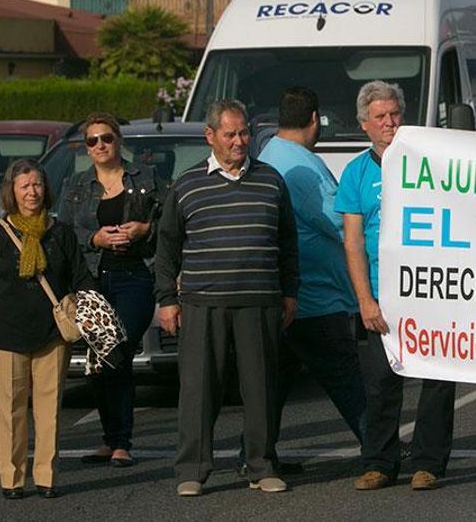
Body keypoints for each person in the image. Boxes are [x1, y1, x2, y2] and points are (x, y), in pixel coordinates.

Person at [153, 99, 299, 497]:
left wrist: (290, 292)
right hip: (203, 303)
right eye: (231, 134)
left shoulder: (271, 181)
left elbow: (288, 243)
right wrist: (167, 298)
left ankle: (262, 465)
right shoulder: (186, 184)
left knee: (261, 389)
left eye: (245, 133)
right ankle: (192, 471)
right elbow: (167, 248)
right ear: (211, 136)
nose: (240, 141)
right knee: (198, 392)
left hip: (261, 301)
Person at [338, 80, 457, 492]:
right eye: (380, 117)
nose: (389, 123)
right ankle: (379, 463)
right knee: (380, 385)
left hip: (433, 292)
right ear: (364, 125)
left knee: (438, 379)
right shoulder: (355, 173)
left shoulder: (433, 162)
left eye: (394, 115)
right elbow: (352, 242)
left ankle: (428, 463)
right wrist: (365, 300)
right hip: (380, 297)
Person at [248, 86, 367, 473]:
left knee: (275, 383)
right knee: (346, 377)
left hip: (284, 293)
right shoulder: (301, 167)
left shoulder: (269, 157)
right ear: (315, 118)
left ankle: (256, 456)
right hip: (316, 296)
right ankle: (380, 446)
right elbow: (339, 221)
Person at [0, 159, 95, 499]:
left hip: (51, 336)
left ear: (46, 189)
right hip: (7, 334)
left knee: (48, 410)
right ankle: (12, 479)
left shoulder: (61, 233)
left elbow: (80, 278)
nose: (32, 192)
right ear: (12, 192)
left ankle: (46, 477)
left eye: (37, 185)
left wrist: (93, 311)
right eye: (24, 186)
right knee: (11, 412)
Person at [57, 113, 164, 469]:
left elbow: (171, 224)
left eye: (106, 138)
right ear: (86, 148)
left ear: (119, 141)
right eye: (92, 141)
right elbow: (64, 234)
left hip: (135, 275)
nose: (100, 146)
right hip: (92, 279)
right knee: (101, 358)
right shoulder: (75, 186)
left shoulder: (146, 178)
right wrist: (95, 237)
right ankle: (111, 440)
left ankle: (122, 441)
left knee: (118, 347)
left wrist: (143, 229)